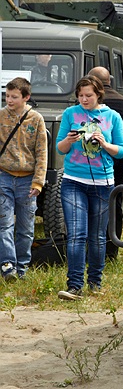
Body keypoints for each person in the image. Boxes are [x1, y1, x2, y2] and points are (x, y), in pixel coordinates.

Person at [55, 75, 123, 301]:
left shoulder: (112, 116)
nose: (84, 100)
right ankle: (74, 286)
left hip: (103, 184)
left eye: (88, 95)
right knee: (77, 234)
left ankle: (95, 282)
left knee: (97, 237)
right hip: (73, 181)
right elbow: (59, 148)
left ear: (98, 95)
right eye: (80, 96)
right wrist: (69, 141)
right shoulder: (70, 114)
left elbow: (122, 151)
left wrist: (104, 143)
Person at [87, 66, 123, 261]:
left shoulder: (91, 102)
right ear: (110, 80)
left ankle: (92, 248)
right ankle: (111, 251)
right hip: (122, 159)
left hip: (97, 158)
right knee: (115, 203)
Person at [0, 78, 47, 281]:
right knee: (4, 223)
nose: (9, 100)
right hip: (4, 176)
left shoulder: (36, 119)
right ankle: (7, 264)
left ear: (26, 97)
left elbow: (42, 152)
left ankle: (22, 266)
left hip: (27, 180)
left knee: (26, 228)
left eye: (14, 97)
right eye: (7, 96)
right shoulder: (1, 116)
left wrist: (38, 181)